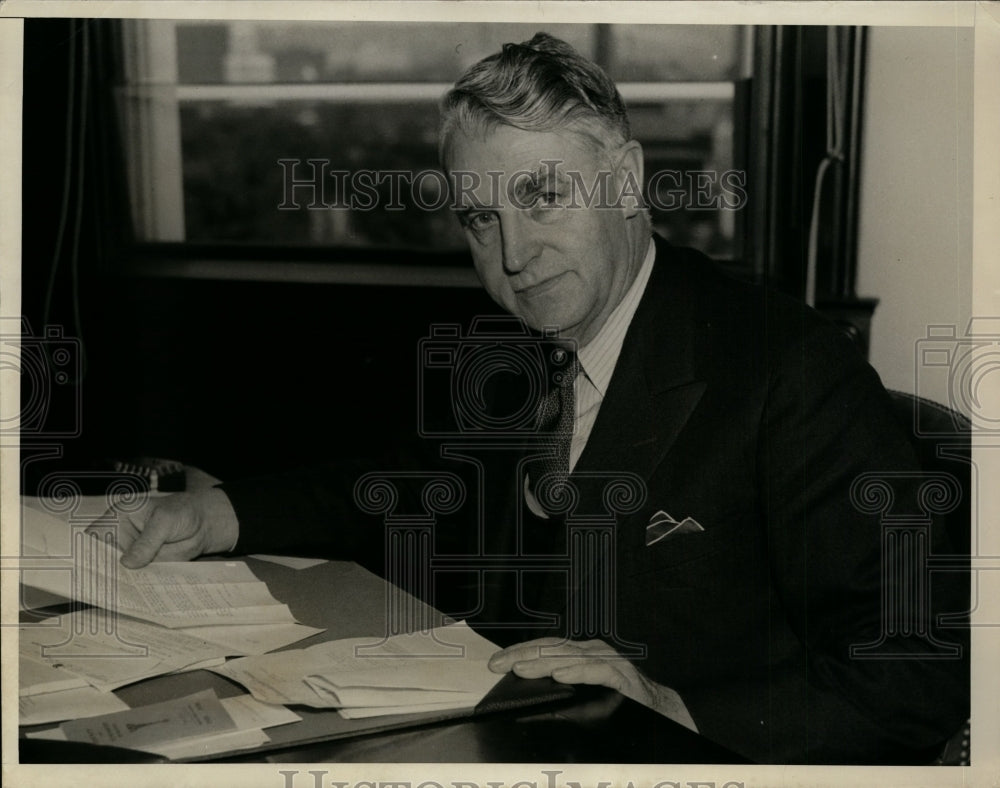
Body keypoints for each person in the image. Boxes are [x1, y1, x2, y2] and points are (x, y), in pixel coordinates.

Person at [102, 34, 968, 764]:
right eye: (482, 219)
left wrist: (670, 703)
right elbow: (404, 482)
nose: (514, 254)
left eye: (543, 196)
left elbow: (912, 674)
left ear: (626, 181)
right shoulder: (521, 346)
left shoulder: (789, 371)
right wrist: (219, 515)